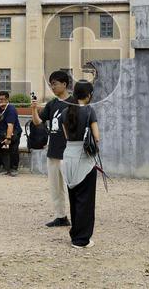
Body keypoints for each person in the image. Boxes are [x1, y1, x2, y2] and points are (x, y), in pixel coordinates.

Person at [31, 70, 74, 228]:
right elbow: (37, 122)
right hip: (54, 151)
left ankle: (77, 216)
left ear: (64, 84)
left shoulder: (74, 103)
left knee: (72, 186)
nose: (52, 87)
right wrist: (34, 109)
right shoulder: (52, 104)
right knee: (56, 187)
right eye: (51, 84)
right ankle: (60, 216)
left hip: (69, 152)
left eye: (55, 84)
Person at [61, 80, 100, 248]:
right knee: (86, 199)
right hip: (84, 157)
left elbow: (66, 135)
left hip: (68, 154)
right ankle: (81, 239)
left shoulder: (65, 111)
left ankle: (75, 234)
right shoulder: (89, 111)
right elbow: (96, 137)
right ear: (89, 95)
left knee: (74, 197)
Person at [0, 91, 22, 176]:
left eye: (2, 99)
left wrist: (8, 138)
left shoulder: (11, 109)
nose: (0, 101)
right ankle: (0, 166)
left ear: (7, 100)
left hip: (13, 133)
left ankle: (13, 168)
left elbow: (10, 125)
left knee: (13, 149)